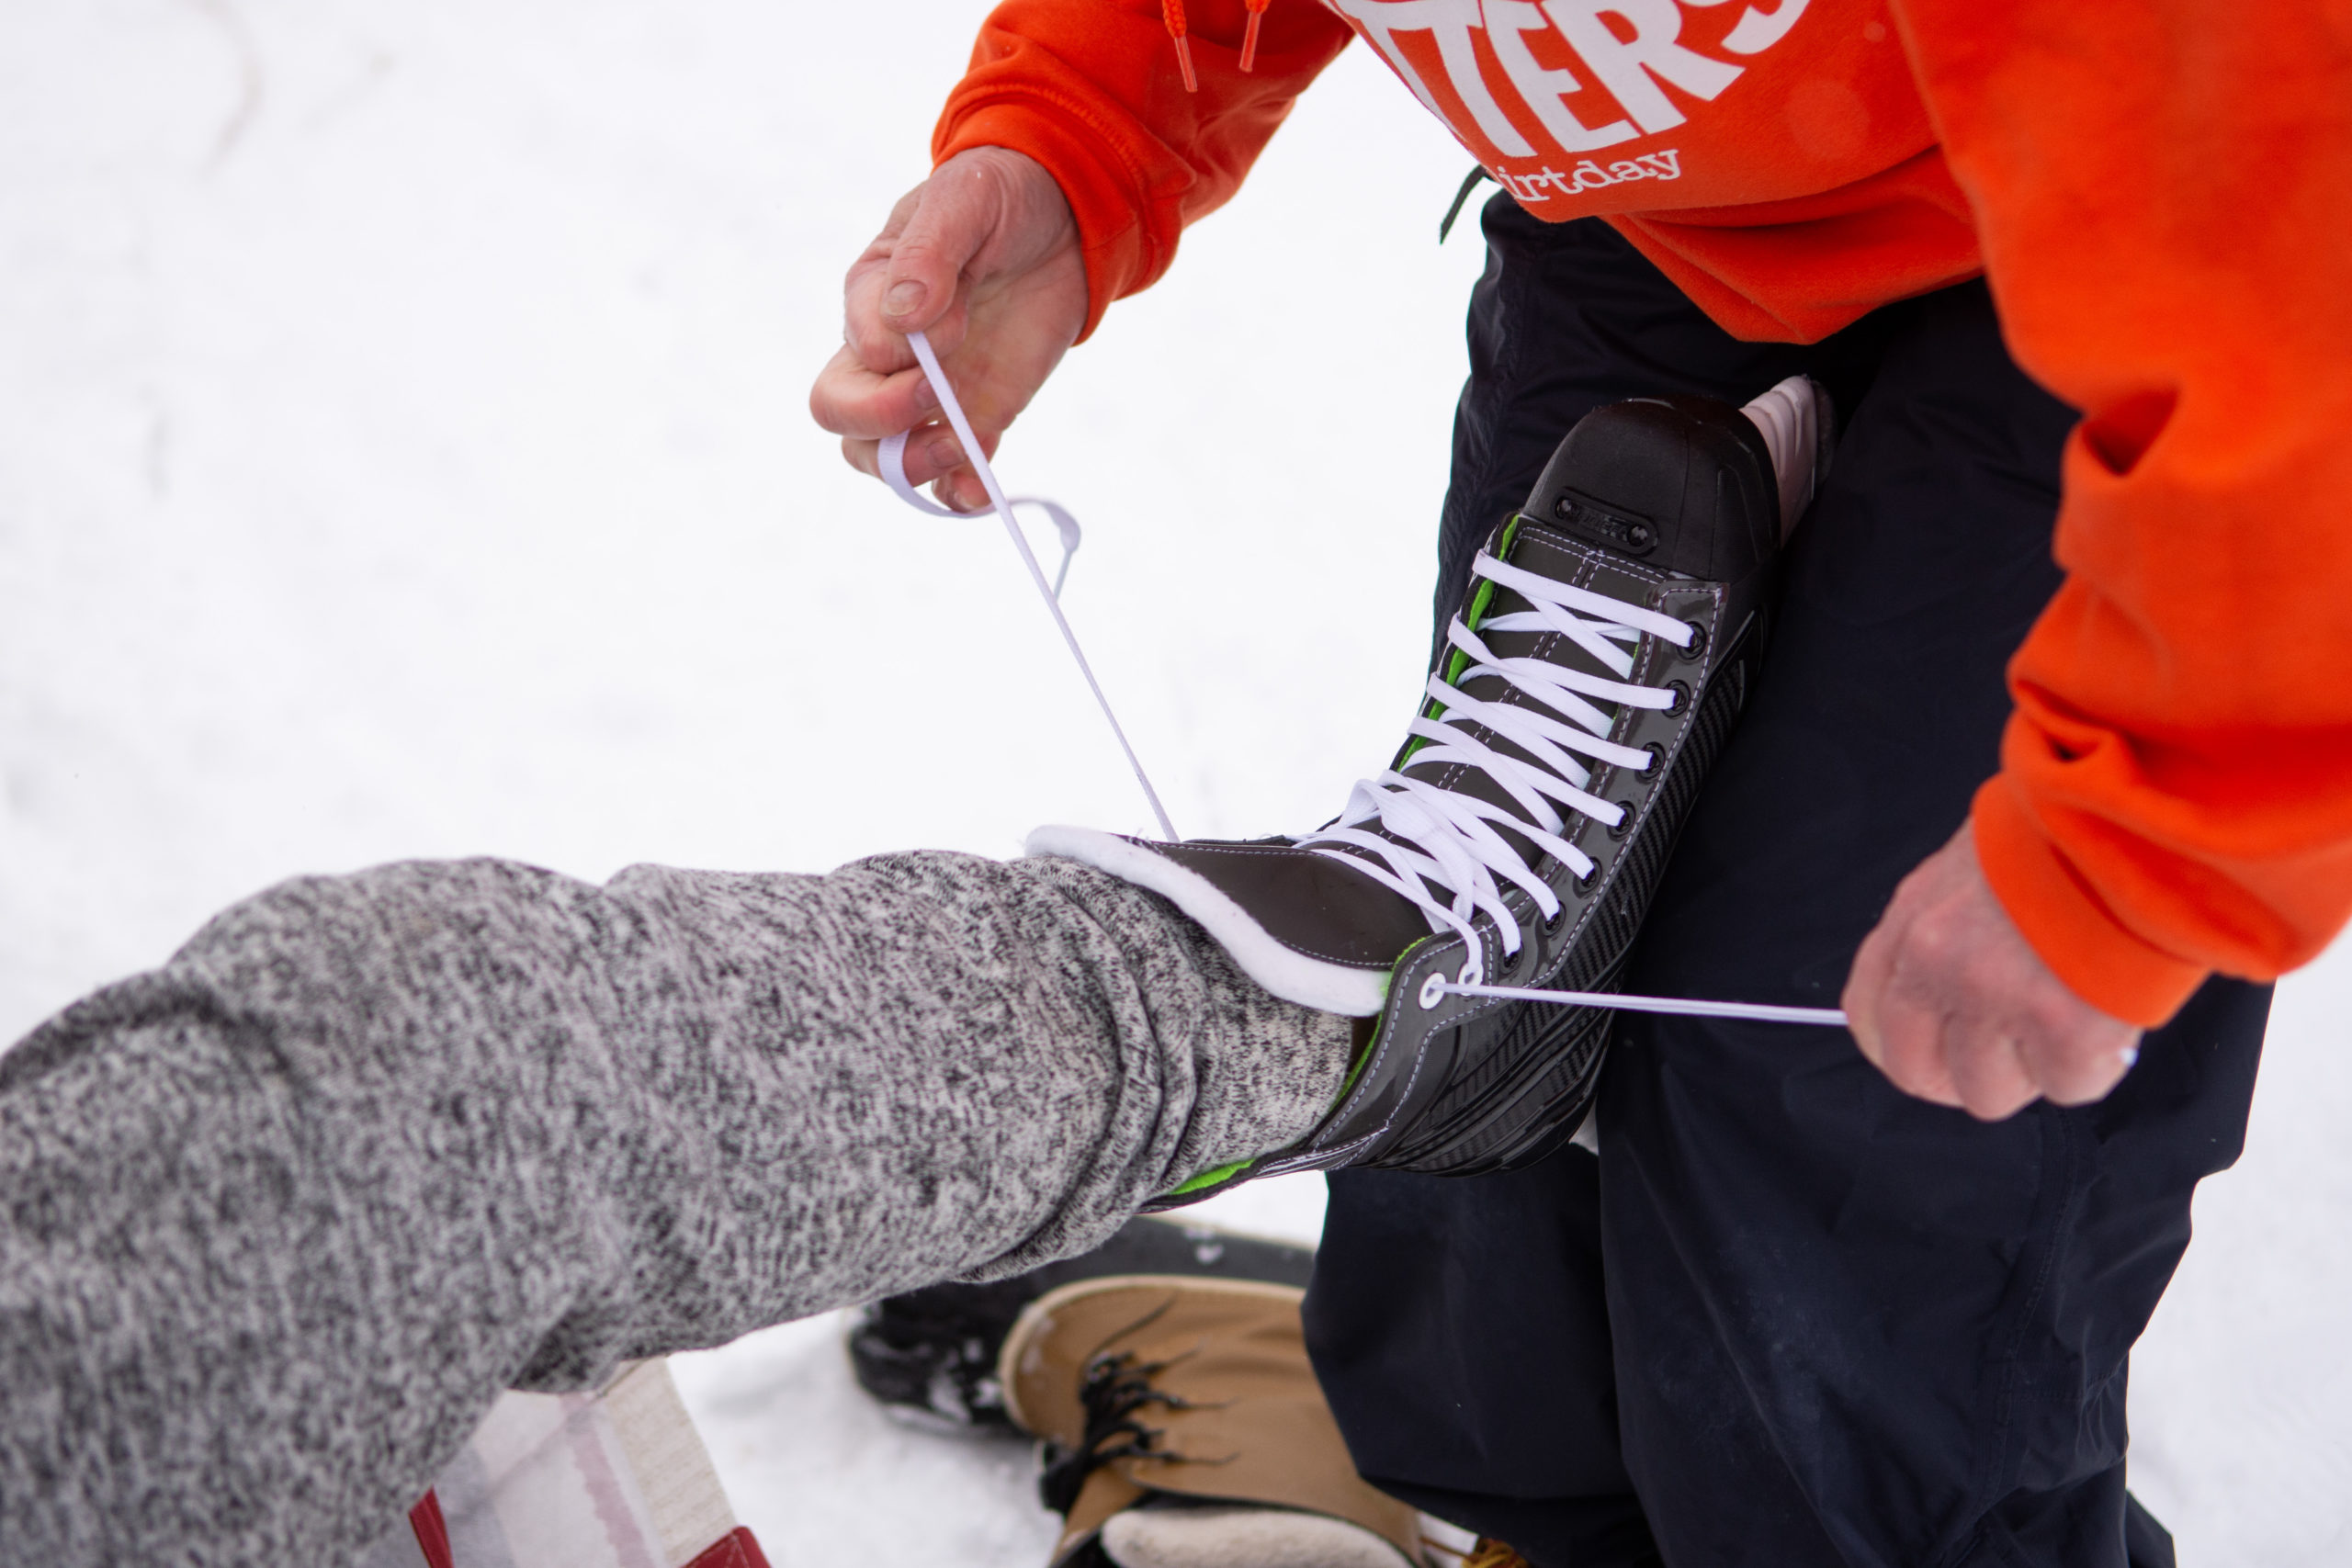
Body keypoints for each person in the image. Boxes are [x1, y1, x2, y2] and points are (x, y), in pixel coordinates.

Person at [806, 3, 2351, 1564]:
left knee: (1852, 1107)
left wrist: (2143, 839)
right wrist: (1077, 135)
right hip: (1657, 232)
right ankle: (1544, 1523)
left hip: (2193, 254)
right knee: (1487, 1018)